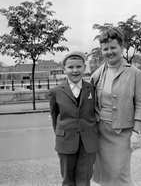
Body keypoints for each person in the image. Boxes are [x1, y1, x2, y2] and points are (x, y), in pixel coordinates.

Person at [90, 27, 141, 186]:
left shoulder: (135, 74)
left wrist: (137, 132)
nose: (109, 52)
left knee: (119, 175)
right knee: (104, 175)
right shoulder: (97, 73)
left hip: (122, 132)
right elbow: (86, 98)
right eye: (105, 49)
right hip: (100, 131)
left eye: (113, 47)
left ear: (121, 47)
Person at [49, 51, 98, 186]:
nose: (75, 71)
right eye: (70, 67)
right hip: (65, 142)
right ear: (64, 69)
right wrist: (62, 135)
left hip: (88, 142)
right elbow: (55, 116)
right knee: (68, 180)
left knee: (84, 180)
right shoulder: (56, 91)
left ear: (84, 68)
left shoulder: (93, 89)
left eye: (78, 67)